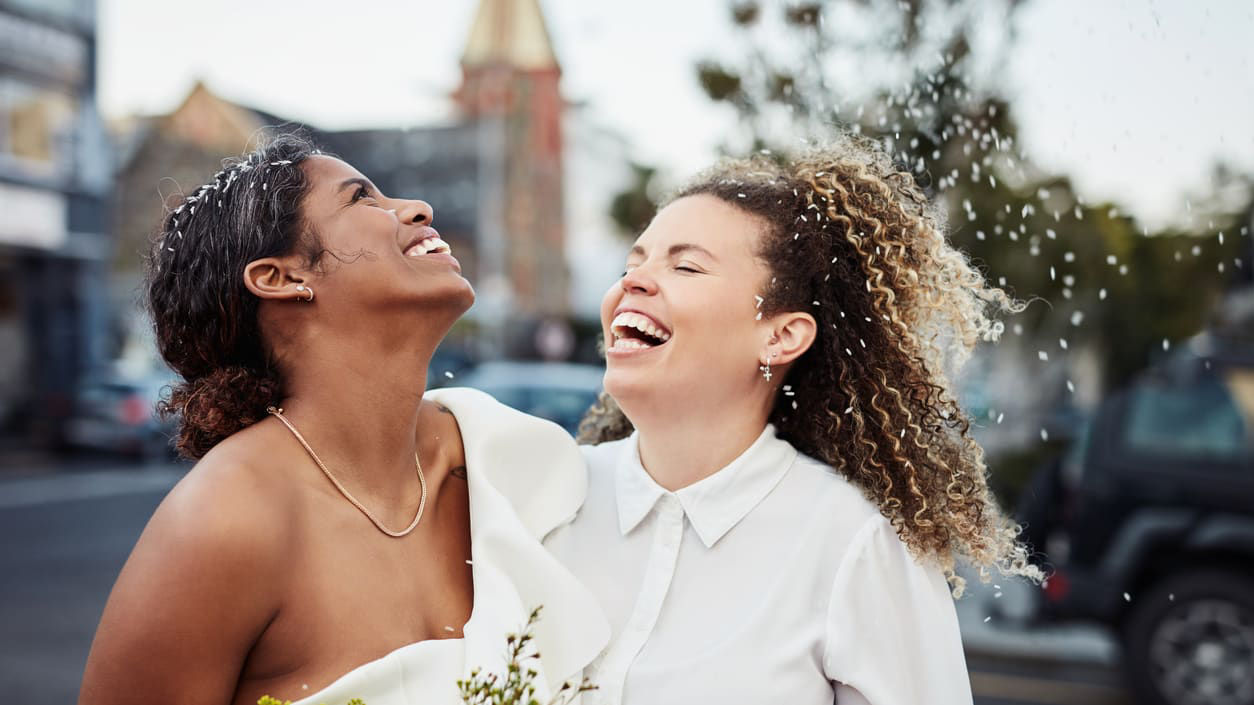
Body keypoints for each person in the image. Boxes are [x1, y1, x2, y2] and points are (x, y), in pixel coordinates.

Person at [79, 135, 607, 705]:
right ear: (279, 278)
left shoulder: (514, 459)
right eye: (361, 199)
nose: (417, 209)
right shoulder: (223, 519)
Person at [545, 135, 1042, 705]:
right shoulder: (550, 499)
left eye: (686, 266)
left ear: (781, 336)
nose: (633, 280)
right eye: (634, 262)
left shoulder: (856, 545)